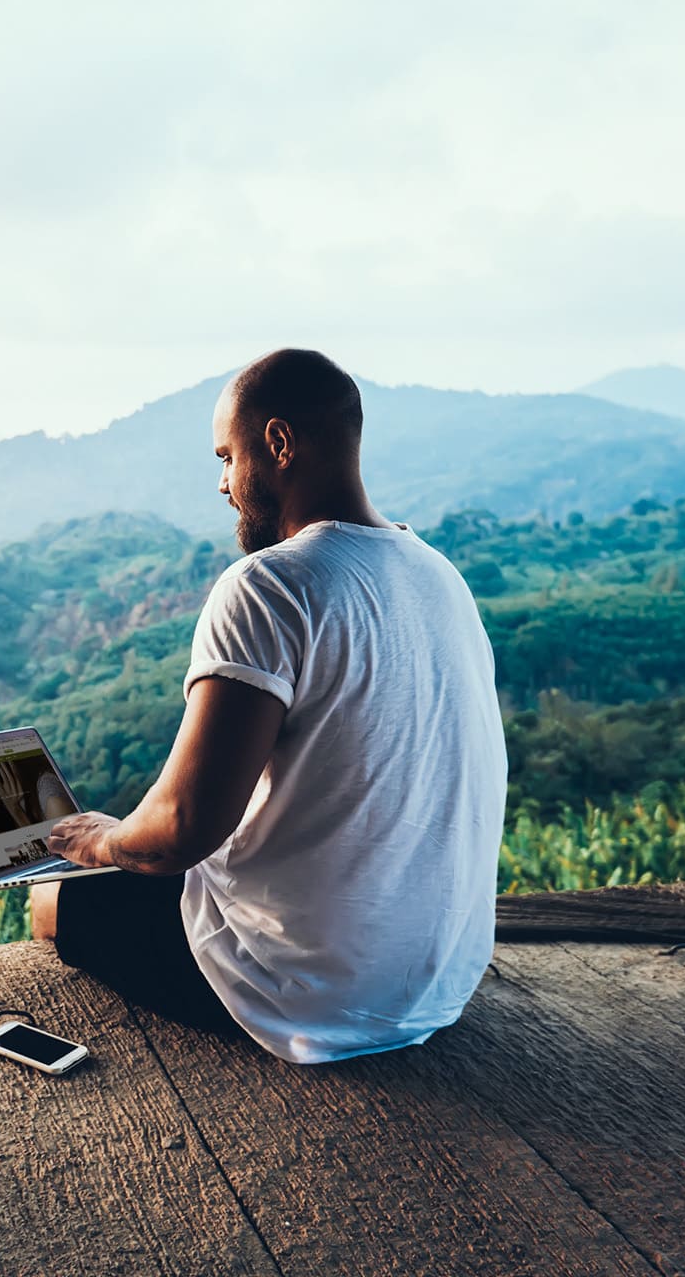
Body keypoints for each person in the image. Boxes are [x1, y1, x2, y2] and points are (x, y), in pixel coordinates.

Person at [33, 348, 508, 1063]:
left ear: (279, 444)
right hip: (438, 983)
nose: (222, 483)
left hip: (313, 993)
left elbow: (184, 828)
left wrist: (98, 840)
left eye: (227, 456)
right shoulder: (438, 574)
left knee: (52, 902)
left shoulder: (268, 585)